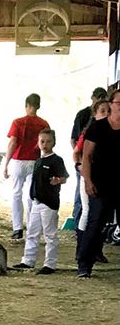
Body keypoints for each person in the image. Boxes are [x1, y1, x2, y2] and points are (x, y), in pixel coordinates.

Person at [11, 129, 68, 275]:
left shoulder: (56, 160)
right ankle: (28, 260)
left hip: (49, 203)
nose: (45, 144)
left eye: (48, 141)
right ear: (38, 142)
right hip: (36, 202)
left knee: (50, 234)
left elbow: (64, 177)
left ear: (54, 142)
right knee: (32, 232)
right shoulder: (38, 161)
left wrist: (58, 180)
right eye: (42, 141)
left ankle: (50, 263)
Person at [77, 88, 120, 278]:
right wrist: (87, 181)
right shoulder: (98, 128)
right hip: (100, 183)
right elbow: (86, 156)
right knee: (95, 222)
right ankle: (84, 263)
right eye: (119, 103)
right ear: (111, 105)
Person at [3, 93, 49, 240]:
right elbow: (47, 144)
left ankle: (17, 229)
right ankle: (32, 228)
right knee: (31, 196)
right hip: (35, 161)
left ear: (27, 105)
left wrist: (6, 163)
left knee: (16, 194)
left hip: (18, 161)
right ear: (39, 106)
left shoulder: (18, 122)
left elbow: (13, 143)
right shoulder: (44, 124)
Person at [71, 87, 108, 226]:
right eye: (102, 111)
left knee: (97, 209)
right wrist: (80, 165)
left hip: (102, 173)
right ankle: (79, 229)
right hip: (86, 170)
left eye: (108, 111)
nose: (105, 114)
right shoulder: (87, 125)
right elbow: (76, 145)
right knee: (84, 205)